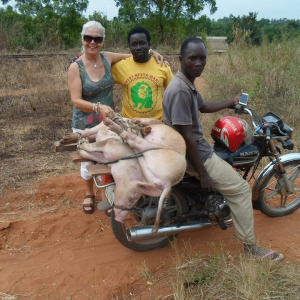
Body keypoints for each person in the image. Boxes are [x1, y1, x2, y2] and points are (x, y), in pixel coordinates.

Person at [162, 37, 284, 261]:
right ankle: (250, 249)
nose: (199, 63)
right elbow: (187, 136)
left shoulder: (186, 82)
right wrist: (204, 173)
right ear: (181, 59)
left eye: (202, 58)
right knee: (241, 190)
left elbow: (203, 105)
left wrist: (230, 101)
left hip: (192, 149)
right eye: (193, 58)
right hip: (194, 154)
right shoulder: (180, 90)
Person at [68, 21, 166, 214]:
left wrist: (153, 52)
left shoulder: (107, 58)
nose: (92, 42)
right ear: (82, 39)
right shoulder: (76, 67)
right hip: (85, 122)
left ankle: (108, 196)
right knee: (88, 159)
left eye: (97, 38)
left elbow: (136, 54)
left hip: (108, 122)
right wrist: (97, 107)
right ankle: (89, 194)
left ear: (103, 40)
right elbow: (76, 101)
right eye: (88, 38)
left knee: (110, 159)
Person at [111, 26, 174, 121]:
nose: (138, 47)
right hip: (130, 123)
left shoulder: (162, 65)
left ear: (149, 44)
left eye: (142, 43)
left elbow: (173, 92)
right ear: (129, 46)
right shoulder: (120, 67)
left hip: (158, 122)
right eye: (134, 44)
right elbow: (101, 61)